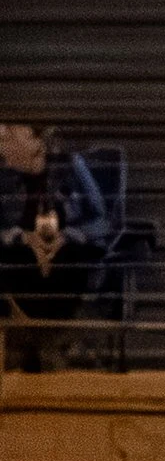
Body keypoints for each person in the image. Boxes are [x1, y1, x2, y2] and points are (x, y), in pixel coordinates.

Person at [0, 123, 110, 369]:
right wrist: (22, 237)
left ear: (33, 139)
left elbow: (101, 222)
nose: (1, 137)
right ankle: (42, 346)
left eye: (9, 132)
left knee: (72, 259)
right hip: (19, 266)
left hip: (66, 261)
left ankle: (45, 345)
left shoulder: (70, 166)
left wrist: (67, 236)